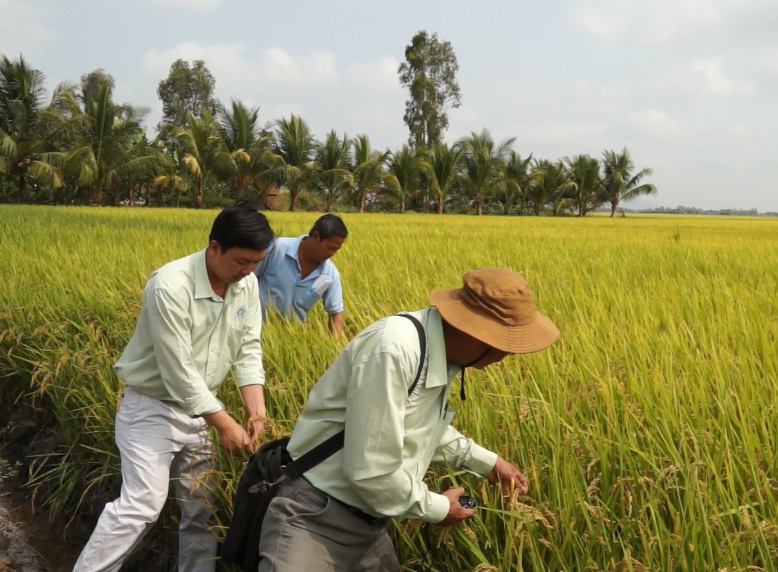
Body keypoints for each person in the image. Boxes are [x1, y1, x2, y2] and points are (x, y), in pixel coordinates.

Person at [258, 267, 560, 571]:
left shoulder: (441, 353)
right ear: (476, 332)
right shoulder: (395, 349)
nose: (508, 355)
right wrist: (440, 508)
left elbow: (417, 427)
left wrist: (487, 461)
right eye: (507, 345)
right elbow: (371, 471)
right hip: (314, 517)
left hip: (370, 526)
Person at [72, 201, 274, 572]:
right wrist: (226, 424)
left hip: (200, 414)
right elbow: (178, 370)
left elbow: (247, 349)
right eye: (241, 261)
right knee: (142, 504)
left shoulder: (246, 285)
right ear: (215, 247)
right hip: (151, 408)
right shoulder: (170, 285)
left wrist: (257, 414)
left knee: (201, 508)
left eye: (255, 263)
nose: (247, 271)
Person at [255, 213, 347, 335]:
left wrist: (334, 347)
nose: (332, 253)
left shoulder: (330, 273)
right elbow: (246, 280)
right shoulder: (275, 249)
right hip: (254, 331)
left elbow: (336, 313)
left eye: (336, 249)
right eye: (330, 248)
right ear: (315, 236)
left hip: (290, 339)